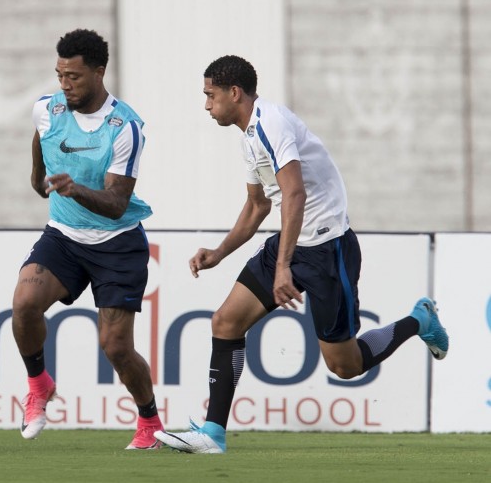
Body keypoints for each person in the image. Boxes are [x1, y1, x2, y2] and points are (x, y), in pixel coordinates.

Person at [154, 55, 449, 454]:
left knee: (345, 367)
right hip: (293, 243)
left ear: (233, 93)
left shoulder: (272, 122)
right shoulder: (248, 137)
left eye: (210, 95)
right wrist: (220, 252)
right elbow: (258, 206)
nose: (206, 105)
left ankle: (419, 320)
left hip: (329, 251)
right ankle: (212, 434)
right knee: (225, 322)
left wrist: (282, 269)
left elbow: (295, 193)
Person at [11, 28, 163, 450]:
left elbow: (116, 203)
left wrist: (74, 187)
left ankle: (149, 423)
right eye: (60, 75)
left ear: (99, 72)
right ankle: (39, 385)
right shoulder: (47, 109)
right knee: (23, 305)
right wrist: (42, 181)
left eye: (74, 77)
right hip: (63, 236)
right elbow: (39, 160)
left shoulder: (125, 128)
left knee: (115, 347)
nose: (64, 85)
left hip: (116, 243)